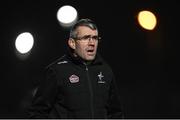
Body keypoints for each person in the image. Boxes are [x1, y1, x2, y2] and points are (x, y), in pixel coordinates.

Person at [27, 18, 123, 118]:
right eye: (86, 38)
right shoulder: (56, 71)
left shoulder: (106, 70)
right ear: (72, 43)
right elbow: (37, 112)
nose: (92, 43)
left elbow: (116, 113)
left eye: (95, 38)